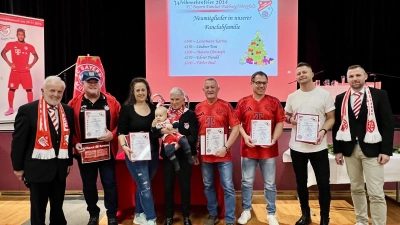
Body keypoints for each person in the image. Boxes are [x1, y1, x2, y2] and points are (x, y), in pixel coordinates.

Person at [332, 65, 394, 225]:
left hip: (373, 150)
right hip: (349, 150)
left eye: (358, 75)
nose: (355, 79)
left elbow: (387, 124)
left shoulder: (379, 95)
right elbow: (337, 125)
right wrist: (337, 150)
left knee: (376, 193)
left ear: (365, 76)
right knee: (356, 188)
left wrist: (386, 151)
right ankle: (361, 221)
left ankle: (380, 223)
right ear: (348, 79)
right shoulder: (341, 98)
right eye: (351, 76)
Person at [10, 76, 74, 225]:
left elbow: (68, 139)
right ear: (42, 90)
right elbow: (19, 141)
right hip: (36, 169)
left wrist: (69, 161)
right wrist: (17, 167)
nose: (56, 95)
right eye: (52, 90)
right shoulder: (27, 110)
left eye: (60, 92)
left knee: (58, 207)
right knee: (38, 209)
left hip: (60, 169)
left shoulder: (68, 110)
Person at [284, 62, 335, 225]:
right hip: (297, 147)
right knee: (301, 182)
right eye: (298, 73)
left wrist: (322, 131)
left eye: (304, 72)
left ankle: (324, 218)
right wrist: (290, 120)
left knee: (323, 183)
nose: (301, 75)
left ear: (312, 74)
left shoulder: (324, 95)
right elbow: (286, 117)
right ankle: (305, 214)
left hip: (318, 146)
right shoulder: (292, 96)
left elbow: (331, 118)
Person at [68, 71, 120, 225]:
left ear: (100, 83)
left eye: (95, 81)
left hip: (106, 151)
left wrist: (113, 135)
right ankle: (93, 214)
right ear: (82, 84)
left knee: (110, 183)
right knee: (89, 185)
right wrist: (74, 142)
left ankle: (111, 215)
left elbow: (122, 123)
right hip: (85, 153)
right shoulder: (73, 103)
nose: (92, 84)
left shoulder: (112, 102)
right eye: (89, 82)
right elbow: (68, 127)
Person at [235, 71, 285, 225]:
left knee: (270, 184)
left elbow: (280, 123)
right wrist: (245, 136)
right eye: (258, 82)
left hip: (268, 150)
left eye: (264, 83)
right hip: (248, 149)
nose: (261, 85)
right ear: (251, 83)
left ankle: (271, 213)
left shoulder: (274, 102)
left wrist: (273, 139)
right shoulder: (243, 102)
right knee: (246, 182)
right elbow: (237, 122)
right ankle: (246, 210)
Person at [195, 78, 240, 225]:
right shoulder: (198, 108)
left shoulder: (226, 106)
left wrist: (225, 147)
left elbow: (236, 128)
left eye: (212, 87)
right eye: (207, 87)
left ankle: (229, 218)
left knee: (228, 186)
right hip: (205, 156)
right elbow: (195, 133)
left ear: (218, 89)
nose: (210, 89)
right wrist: (195, 152)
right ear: (203, 90)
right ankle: (212, 214)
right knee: (208, 185)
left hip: (223, 155)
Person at [151, 87, 199, 225]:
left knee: (185, 187)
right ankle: (169, 217)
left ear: (183, 99)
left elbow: (193, 136)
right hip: (168, 157)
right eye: (172, 99)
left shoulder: (189, 114)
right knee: (168, 187)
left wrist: (178, 144)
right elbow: (155, 133)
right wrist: (159, 131)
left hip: (184, 156)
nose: (174, 102)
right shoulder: (164, 113)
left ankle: (186, 217)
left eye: (177, 99)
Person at [117, 77, 160, 225]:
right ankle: (151, 218)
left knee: (143, 185)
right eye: (138, 90)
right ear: (133, 92)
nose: (141, 93)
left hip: (153, 153)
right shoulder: (127, 109)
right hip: (135, 154)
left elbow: (157, 132)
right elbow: (121, 132)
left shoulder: (154, 109)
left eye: (143, 90)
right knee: (145, 186)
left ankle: (138, 214)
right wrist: (124, 147)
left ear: (148, 92)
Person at [1, 28, 39, 116]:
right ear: (17, 35)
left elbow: (36, 56)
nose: (21, 36)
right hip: (15, 72)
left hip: (25, 72)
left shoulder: (30, 46)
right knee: (11, 89)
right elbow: (3, 53)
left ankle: (30, 108)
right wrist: (9, 63)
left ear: (24, 36)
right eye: (19, 34)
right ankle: (10, 108)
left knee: (29, 89)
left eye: (22, 35)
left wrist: (31, 65)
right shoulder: (11, 44)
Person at [153, 104, 194, 171]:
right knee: (168, 150)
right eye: (156, 116)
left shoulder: (169, 119)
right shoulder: (155, 123)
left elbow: (176, 124)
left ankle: (189, 156)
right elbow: (153, 131)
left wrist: (171, 125)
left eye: (160, 116)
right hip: (167, 139)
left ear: (166, 115)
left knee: (184, 140)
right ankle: (175, 162)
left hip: (176, 135)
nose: (158, 117)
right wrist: (161, 131)